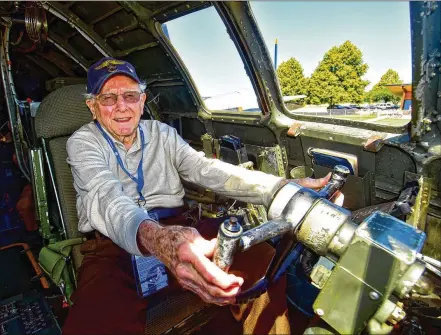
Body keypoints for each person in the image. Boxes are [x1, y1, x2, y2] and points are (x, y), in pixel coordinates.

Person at [62, 57, 343, 335]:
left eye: (130, 96)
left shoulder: (162, 133)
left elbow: (208, 170)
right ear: (92, 106)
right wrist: (157, 238)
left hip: (179, 228)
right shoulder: (83, 142)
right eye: (109, 98)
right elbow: (105, 196)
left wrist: (281, 187)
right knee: (93, 321)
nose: (122, 106)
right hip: (114, 248)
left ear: (142, 100)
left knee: (261, 258)